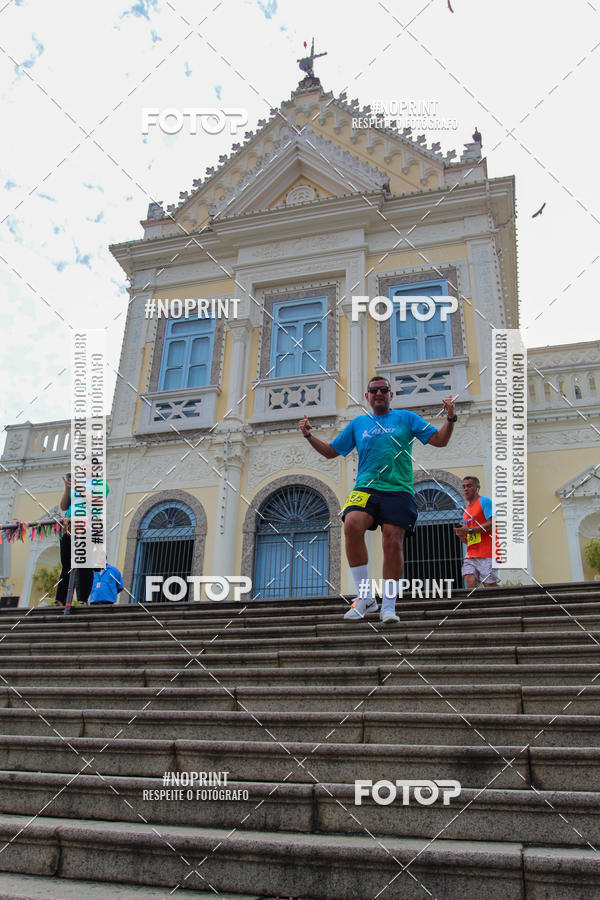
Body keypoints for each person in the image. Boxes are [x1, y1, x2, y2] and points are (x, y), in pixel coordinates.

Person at [299, 376, 456, 623]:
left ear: (391, 395)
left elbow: (440, 440)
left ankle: (389, 607)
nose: (379, 393)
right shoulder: (358, 423)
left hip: (398, 488)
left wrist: (450, 418)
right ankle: (366, 598)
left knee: (392, 541)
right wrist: (309, 435)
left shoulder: (406, 418)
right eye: (374, 390)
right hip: (366, 487)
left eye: (384, 390)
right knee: (351, 524)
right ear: (367, 396)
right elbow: (331, 451)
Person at [455, 476, 501, 589]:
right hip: (471, 553)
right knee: (469, 580)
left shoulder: (485, 501)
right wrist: (462, 536)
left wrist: (470, 530)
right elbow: (469, 539)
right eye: (464, 486)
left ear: (477, 487)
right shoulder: (466, 512)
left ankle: (509, 598)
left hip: (488, 552)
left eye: (469, 486)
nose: (466, 489)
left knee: (489, 585)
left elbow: (493, 523)